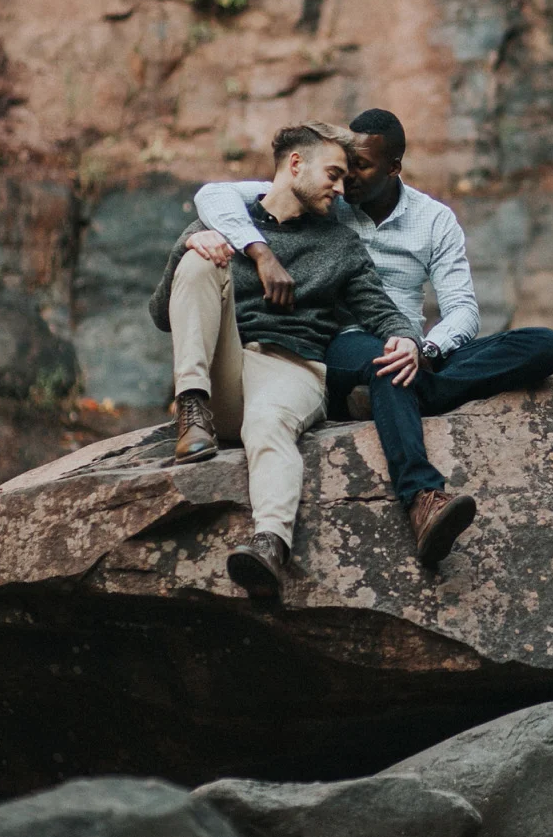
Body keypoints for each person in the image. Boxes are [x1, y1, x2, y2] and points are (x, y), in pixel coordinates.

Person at [187, 108, 553, 568]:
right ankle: (423, 497)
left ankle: (404, 392)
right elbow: (215, 194)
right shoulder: (326, 199)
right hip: (345, 339)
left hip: (413, 343)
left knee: (543, 345)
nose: (348, 181)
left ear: (394, 168)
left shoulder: (433, 219)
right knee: (387, 365)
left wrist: (424, 349)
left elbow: (462, 310)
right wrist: (258, 251)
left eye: (361, 167)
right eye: (342, 167)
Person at [149, 122, 423, 598]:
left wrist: (404, 337)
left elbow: (379, 308)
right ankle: (191, 411)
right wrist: (189, 247)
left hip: (292, 370)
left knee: (268, 423)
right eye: (333, 175)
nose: (342, 189)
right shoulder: (227, 220)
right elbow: (160, 314)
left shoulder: (338, 242)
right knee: (200, 260)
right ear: (295, 164)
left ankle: (270, 544)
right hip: (225, 374)